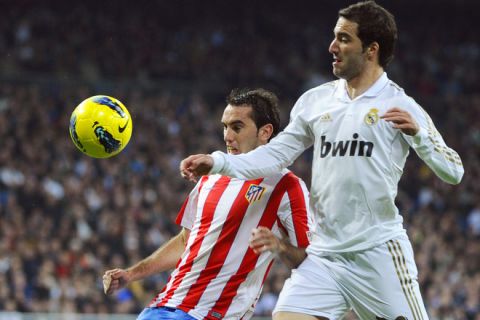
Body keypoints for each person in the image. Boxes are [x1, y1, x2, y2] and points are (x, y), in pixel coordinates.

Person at [179, 1, 464, 319]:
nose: (332, 46)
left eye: (344, 39)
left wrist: (419, 137)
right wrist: (218, 162)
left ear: (371, 49)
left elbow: (453, 171)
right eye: (334, 36)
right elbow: (276, 154)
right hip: (325, 255)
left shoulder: (399, 104)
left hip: (376, 253)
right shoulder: (316, 101)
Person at [103, 88, 314, 320]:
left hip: (212, 314)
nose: (227, 136)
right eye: (225, 126)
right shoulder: (211, 178)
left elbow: (309, 259)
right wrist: (132, 274)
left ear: (265, 132)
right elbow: (186, 241)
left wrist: (280, 247)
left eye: (237, 127)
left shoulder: (286, 186)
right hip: (163, 307)